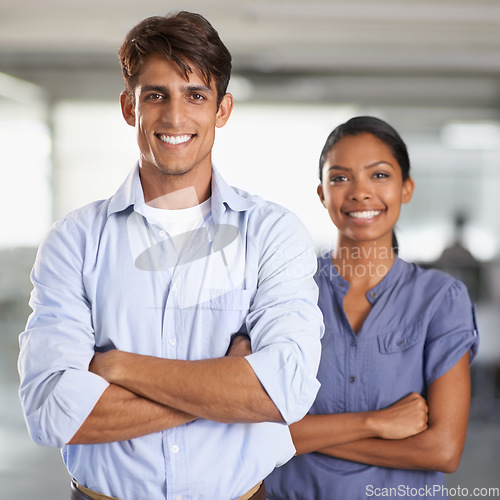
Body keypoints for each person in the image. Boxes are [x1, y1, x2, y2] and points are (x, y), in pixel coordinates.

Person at [17, 12, 323, 500]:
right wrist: (226, 387)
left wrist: (120, 367)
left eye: (196, 96)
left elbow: (284, 392)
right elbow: (53, 412)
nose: (175, 117)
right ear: (128, 106)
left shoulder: (273, 233)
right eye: (156, 95)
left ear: (222, 109)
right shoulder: (73, 240)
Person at [265, 116, 479, 499]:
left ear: (407, 188)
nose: (360, 193)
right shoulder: (285, 288)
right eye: (340, 177)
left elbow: (442, 451)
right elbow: (249, 427)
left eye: (378, 176)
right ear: (321, 193)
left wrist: (298, 437)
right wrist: (376, 422)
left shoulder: (441, 299)